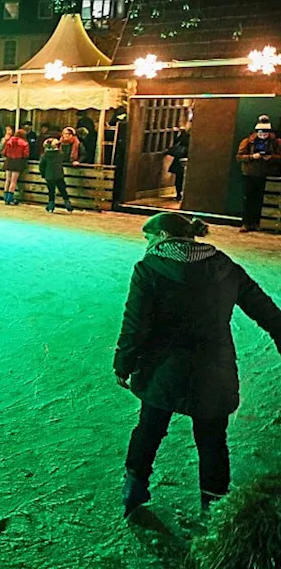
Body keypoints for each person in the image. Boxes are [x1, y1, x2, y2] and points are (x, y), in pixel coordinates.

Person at [114, 213, 281, 517]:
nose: (147, 244)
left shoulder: (149, 268)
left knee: (149, 429)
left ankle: (133, 490)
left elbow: (135, 326)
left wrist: (123, 363)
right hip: (213, 371)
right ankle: (215, 508)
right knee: (213, 440)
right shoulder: (225, 266)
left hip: (162, 370)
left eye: (148, 238)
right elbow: (266, 310)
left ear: (163, 236)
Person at [235, 117, 280, 232]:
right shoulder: (247, 142)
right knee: (248, 199)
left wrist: (271, 158)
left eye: (266, 133)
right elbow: (239, 157)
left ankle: (255, 223)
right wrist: (252, 157)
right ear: (257, 132)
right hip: (250, 173)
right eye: (261, 133)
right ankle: (246, 223)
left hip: (265, 174)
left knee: (259, 200)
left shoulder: (275, 142)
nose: (263, 135)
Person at [38, 138, 73, 213]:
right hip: (59, 175)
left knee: (51, 191)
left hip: (49, 176)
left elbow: (41, 166)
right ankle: (68, 205)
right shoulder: (60, 154)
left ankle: (51, 206)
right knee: (63, 190)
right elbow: (65, 157)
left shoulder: (44, 155)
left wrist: (43, 174)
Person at [1, 129, 30, 205]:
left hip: (8, 161)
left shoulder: (9, 141)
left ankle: (5, 197)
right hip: (17, 162)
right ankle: (10, 198)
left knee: (7, 180)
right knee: (13, 181)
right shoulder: (24, 143)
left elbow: (4, 152)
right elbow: (26, 154)